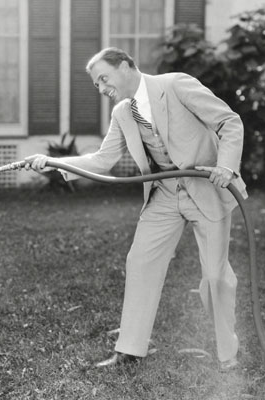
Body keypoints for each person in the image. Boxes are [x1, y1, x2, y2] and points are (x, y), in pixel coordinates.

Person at [21, 47, 246, 370]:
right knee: (140, 262)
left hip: (207, 188)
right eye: (96, 84)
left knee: (215, 276)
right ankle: (129, 350)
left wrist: (226, 166)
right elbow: (103, 160)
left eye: (103, 78)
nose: (100, 88)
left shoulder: (176, 85)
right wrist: (54, 163)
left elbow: (229, 121)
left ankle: (228, 353)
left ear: (126, 66)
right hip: (165, 194)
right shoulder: (123, 113)